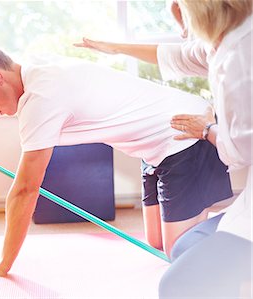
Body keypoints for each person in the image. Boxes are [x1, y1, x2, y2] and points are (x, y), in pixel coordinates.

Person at [0, 45, 233, 277]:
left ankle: (242, 227)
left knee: (181, 255)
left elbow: (24, 190)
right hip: (155, 148)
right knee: (157, 242)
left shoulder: (41, 100)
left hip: (185, 137)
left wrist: (3, 264)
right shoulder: (26, 70)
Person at [74, 0, 252, 297]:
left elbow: (243, 150)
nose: (172, 7)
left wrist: (207, 130)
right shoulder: (226, 39)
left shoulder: (241, 54)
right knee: (183, 246)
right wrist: (115, 47)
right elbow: (177, 55)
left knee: (175, 284)